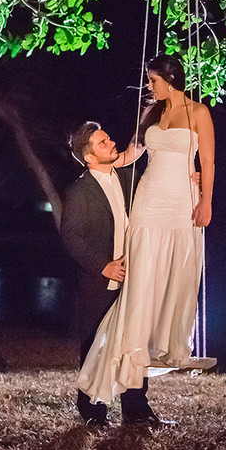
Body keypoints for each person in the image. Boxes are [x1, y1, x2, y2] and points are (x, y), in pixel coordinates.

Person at [77, 54, 215, 409]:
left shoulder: (199, 112)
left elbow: (208, 161)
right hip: (150, 198)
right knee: (144, 272)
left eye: (153, 80)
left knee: (178, 269)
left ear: (169, 80)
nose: (149, 86)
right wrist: (96, 165)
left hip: (183, 200)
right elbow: (131, 153)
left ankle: (168, 342)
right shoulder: (151, 113)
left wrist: (206, 201)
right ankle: (133, 347)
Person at [60, 121, 162, 427]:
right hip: (99, 282)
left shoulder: (128, 178)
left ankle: (136, 409)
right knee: (95, 346)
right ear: (90, 157)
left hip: (133, 279)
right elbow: (71, 237)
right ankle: (92, 412)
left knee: (135, 343)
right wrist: (103, 266)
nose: (111, 143)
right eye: (102, 142)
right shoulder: (79, 191)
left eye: (107, 138)